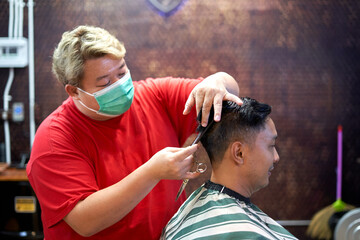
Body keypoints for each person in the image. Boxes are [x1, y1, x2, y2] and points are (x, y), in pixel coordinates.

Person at [26, 25, 242, 240]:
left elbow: (226, 91)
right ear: (74, 91)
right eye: (105, 83)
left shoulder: (155, 96)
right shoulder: (55, 138)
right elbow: (85, 221)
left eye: (121, 72)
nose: (119, 85)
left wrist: (218, 81)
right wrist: (152, 172)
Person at [161, 99, 298, 240]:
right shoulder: (250, 235)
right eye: (271, 145)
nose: (276, 157)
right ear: (239, 153)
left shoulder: (178, 218)